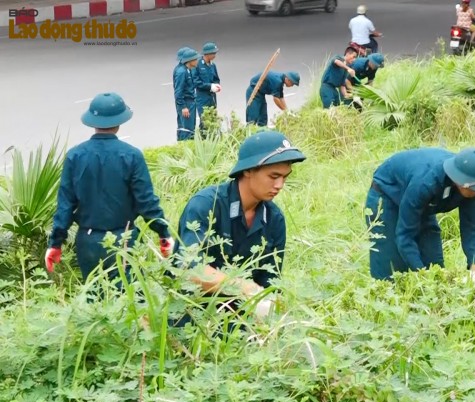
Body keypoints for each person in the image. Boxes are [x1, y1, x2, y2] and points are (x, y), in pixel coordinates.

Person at [174, 131, 306, 319]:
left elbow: (270, 282)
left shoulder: (274, 219)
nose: (280, 185)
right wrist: (244, 287)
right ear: (248, 170)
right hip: (190, 313)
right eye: (273, 176)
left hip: (239, 319)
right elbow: (190, 268)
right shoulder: (206, 205)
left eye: (285, 177)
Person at [45, 92, 173, 281]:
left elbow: (65, 205)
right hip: (124, 238)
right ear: (120, 121)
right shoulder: (132, 156)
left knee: (93, 300)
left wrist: (55, 244)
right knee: (125, 300)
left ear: (93, 121)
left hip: (88, 241)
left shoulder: (75, 156)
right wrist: (163, 234)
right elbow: (146, 203)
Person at [365, 147, 475, 281]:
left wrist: (474, 269)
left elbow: (473, 228)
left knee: (434, 265)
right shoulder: (426, 182)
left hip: (423, 203)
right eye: (474, 188)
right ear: (460, 180)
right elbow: (405, 235)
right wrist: (423, 277)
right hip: (388, 194)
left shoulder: (474, 183)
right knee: (392, 270)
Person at [193, 42, 222, 135]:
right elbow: (196, 82)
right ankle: (203, 138)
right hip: (202, 97)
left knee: (213, 119)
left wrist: (216, 86)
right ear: (207, 54)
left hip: (212, 97)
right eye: (213, 53)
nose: (215, 55)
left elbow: (216, 79)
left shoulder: (213, 65)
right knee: (204, 120)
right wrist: (210, 86)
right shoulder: (198, 65)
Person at [174, 47, 199, 140]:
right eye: (195, 59)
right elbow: (178, 91)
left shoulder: (187, 70)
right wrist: (183, 106)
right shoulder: (182, 72)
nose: (197, 61)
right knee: (188, 131)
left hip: (189, 102)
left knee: (186, 129)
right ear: (189, 60)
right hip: (187, 103)